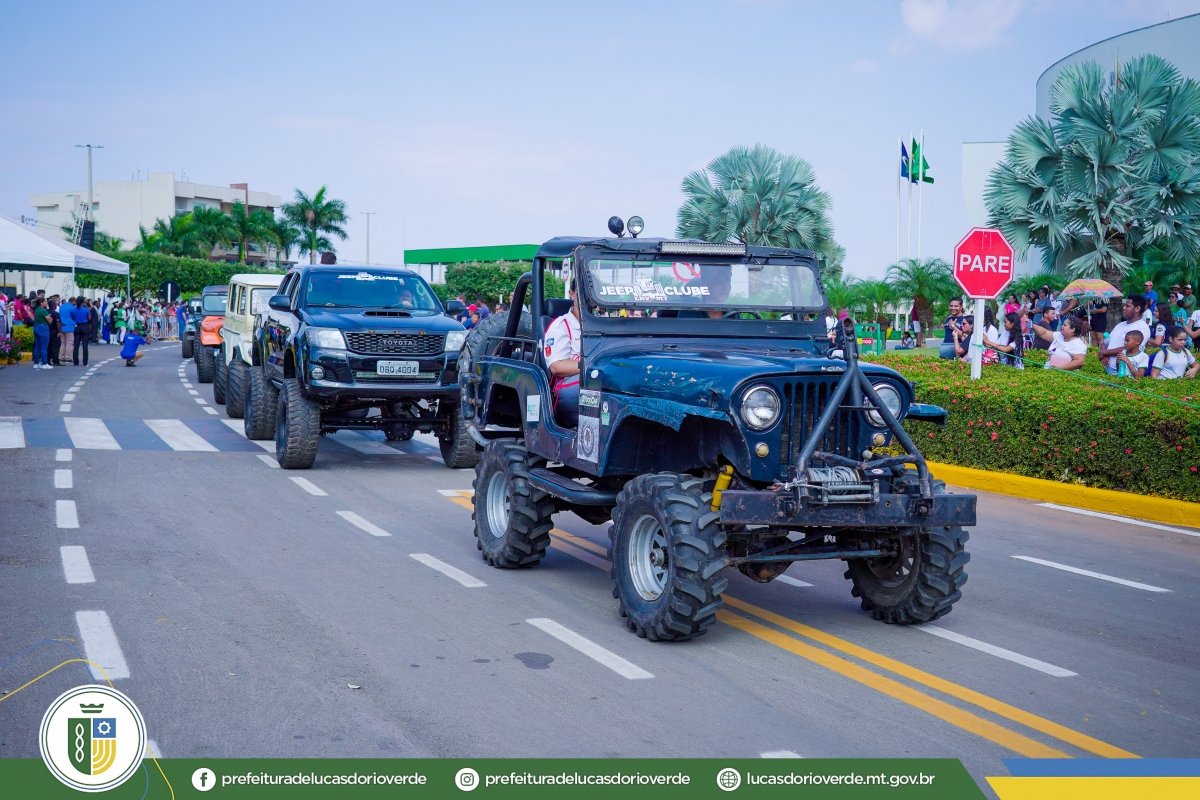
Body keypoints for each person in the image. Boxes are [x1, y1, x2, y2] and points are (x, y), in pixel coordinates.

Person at [544, 279, 582, 427]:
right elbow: (556, 366)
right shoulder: (560, 326)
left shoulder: (602, 324)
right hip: (564, 385)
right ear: (572, 293)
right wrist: (592, 366)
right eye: (583, 292)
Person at [1098, 294, 1151, 376]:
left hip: (1125, 376)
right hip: (1108, 373)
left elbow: (1129, 348)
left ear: (1137, 309)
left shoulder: (1143, 328)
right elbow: (1106, 342)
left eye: (1127, 306)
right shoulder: (1120, 325)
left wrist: (1105, 352)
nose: (1124, 308)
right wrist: (1104, 355)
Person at [31, 298, 52, 369]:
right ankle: (45, 363)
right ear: (41, 303)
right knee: (44, 347)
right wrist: (50, 318)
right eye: (45, 301)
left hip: (36, 327)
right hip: (43, 328)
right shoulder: (43, 311)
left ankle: (36, 363)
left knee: (37, 347)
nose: (46, 302)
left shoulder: (36, 310)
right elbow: (49, 321)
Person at [71, 297, 91, 366]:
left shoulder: (73, 310)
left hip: (77, 326)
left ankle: (76, 363)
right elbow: (89, 318)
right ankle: (85, 363)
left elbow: (72, 318)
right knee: (85, 345)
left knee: (76, 345)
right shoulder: (86, 309)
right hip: (85, 326)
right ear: (83, 302)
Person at [59, 296, 77, 362]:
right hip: (69, 326)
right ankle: (67, 357)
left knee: (63, 343)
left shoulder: (62, 306)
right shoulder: (72, 308)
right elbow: (74, 317)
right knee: (69, 343)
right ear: (73, 301)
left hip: (61, 326)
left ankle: (62, 357)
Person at [47, 298, 63, 365]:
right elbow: (58, 323)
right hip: (54, 331)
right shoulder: (56, 314)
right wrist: (60, 332)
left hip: (47, 331)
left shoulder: (46, 312)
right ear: (54, 306)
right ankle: (55, 360)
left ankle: (47, 360)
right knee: (55, 346)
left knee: (48, 346)